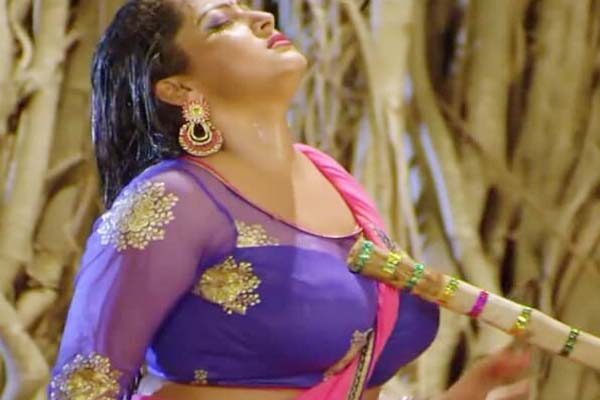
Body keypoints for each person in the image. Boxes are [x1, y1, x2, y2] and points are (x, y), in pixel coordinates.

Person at [48, 1, 531, 399]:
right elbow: (83, 387)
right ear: (180, 88)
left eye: (251, 10)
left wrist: (470, 390)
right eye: (222, 22)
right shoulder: (173, 199)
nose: (262, 18)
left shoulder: (332, 179)